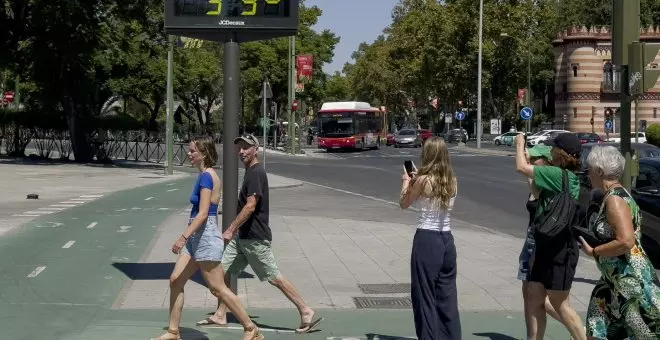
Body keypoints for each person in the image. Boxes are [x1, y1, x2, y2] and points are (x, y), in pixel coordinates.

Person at [197, 134, 322, 333]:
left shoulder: (256, 173)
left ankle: (305, 310)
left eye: (246, 147)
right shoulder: (250, 172)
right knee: (222, 273)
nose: (242, 151)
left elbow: (250, 206)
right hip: (242, 239)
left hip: (255, 238)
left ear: (256, 149)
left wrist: (230, 229)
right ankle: (221, 314)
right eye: (239, 148)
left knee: (274, 277)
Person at [153, 136, 262, 340]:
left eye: (193, 151)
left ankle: (250, 328)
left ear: (204, 153)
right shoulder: (205, 175)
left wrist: (183, 237)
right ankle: (173, 331)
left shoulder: (207, 177)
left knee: (218, 288)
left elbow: (203, 213)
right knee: (176, 280)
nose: (189, 154)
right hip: (197, 235)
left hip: (204, 235)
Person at [580, 145, 660, 339]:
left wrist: (595, 251)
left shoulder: (615, 200)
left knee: (644, 335)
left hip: (630, 283)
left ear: (599, 171)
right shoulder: (613, 196)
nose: (588, 175)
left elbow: (626, 241)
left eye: (589, 170)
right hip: (611, 282)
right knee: (595, 330)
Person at [514, 133, 586, 340]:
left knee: (560, 303)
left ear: (561, 153)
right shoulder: (561, 175)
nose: (551, 151)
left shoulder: (557, 174)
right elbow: (536, 191)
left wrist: (519, 145)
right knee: (533, 297)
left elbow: (520, 167)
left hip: (560, 249)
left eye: (554, 148)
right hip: (545, 244)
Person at [399, 136, 461, 340]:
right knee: (447, 296)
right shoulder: (452, 179)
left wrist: (407, 181)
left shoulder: (422, 180)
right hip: (447, 239)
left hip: (427, 238)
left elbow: (404, 203)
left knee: (424, 295)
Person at [517, 143, 567, 338]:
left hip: (540, 242)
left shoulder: (548, 183)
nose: (530, 161)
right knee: (528, 295)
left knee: (538, 298)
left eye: (534, 159)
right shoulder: (538, 180)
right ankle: (532, 336)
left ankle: (576, 327)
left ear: (546, 162)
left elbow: (535, 189)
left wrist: (522, 151)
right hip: (531, 240)